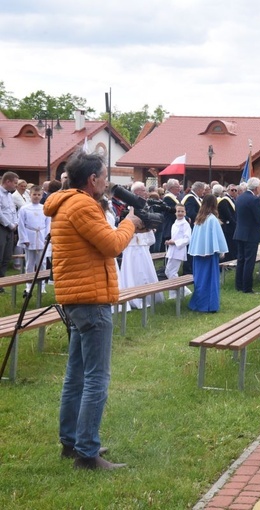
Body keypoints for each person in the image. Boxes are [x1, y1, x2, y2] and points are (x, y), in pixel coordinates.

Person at [44, 151, 140, 469]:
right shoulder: (83, 204)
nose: (108, 182)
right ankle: (87, 452)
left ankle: (71, 442)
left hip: (76, 298)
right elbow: (111, 245)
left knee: (75, 376)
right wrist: (130, 223)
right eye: (105, 176)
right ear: (92, 180)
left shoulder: (64, 203)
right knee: (96, 378)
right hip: (91, 299)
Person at [118, 182, 164, 309]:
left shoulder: (146, 206)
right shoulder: (127, 208)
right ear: (137, 192)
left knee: (145, 269)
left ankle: (149, 295)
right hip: (131, 245)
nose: (146, 192)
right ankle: (133, 297)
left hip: (143, 245)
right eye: (143, 190)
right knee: (133, 271)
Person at [187, 194, 228, 312]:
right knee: (210, 280)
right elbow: (217, 237)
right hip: (209, 255)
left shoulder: (199, 219)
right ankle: (209, 305)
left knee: (200, 280)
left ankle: (197, 303)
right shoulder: (212, 219)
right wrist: (220, 251)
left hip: (198, 255)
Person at [232, 177, 260, 293]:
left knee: (241, 259)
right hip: (250, 234)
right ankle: (247, 287)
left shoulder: (239, 198)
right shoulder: (254, 199)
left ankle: (239, 285)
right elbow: (259, 218)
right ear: (256, 188)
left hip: (240, 232)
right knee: (249, 261)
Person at [17, 185, 49, 297]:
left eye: (38, 194)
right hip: (30, 237)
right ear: (30, 195)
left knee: (42, 262)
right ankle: (28, 286)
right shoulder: (24, 208)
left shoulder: (44, 208)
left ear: (41, 195)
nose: (36, 197)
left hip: (41, 236)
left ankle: (42, 286)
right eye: (34, 194)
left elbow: (47, 224)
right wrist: (24, 239)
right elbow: (21, 225)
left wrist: (46, 237)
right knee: (30, 263)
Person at [165, 204, 192, 299]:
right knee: (168, 271)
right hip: (172, 250)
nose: (180, 213)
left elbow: (187, 239)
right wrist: (169, 242)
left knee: (172, 272)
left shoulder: (185, 224)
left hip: (179, 251)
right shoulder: (175, 223)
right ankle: (181, 291)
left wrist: (175, 242)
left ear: (185, 213)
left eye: (182, 211)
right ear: (175, 213)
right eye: (178, 211)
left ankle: (180, 292)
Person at [0, 171, 19, 281]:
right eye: (15, 183)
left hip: (11, 229)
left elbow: (13, 211)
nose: (16, 185)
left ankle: (1, 281)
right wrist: (10, 224)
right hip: (2, 227)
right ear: (8, 181)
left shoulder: (10, 196)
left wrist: (15, 222)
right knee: (0, 255)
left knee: (7, 256)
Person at [216, 184, 237, 262]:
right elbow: (228, 215)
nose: (234, 191)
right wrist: (235, 223)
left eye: (235, 190)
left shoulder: (233, 199)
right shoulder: (225, 200)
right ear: (228, 190)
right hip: (228, 227)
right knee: (229, 245)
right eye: (232, 190)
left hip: (232, 226)